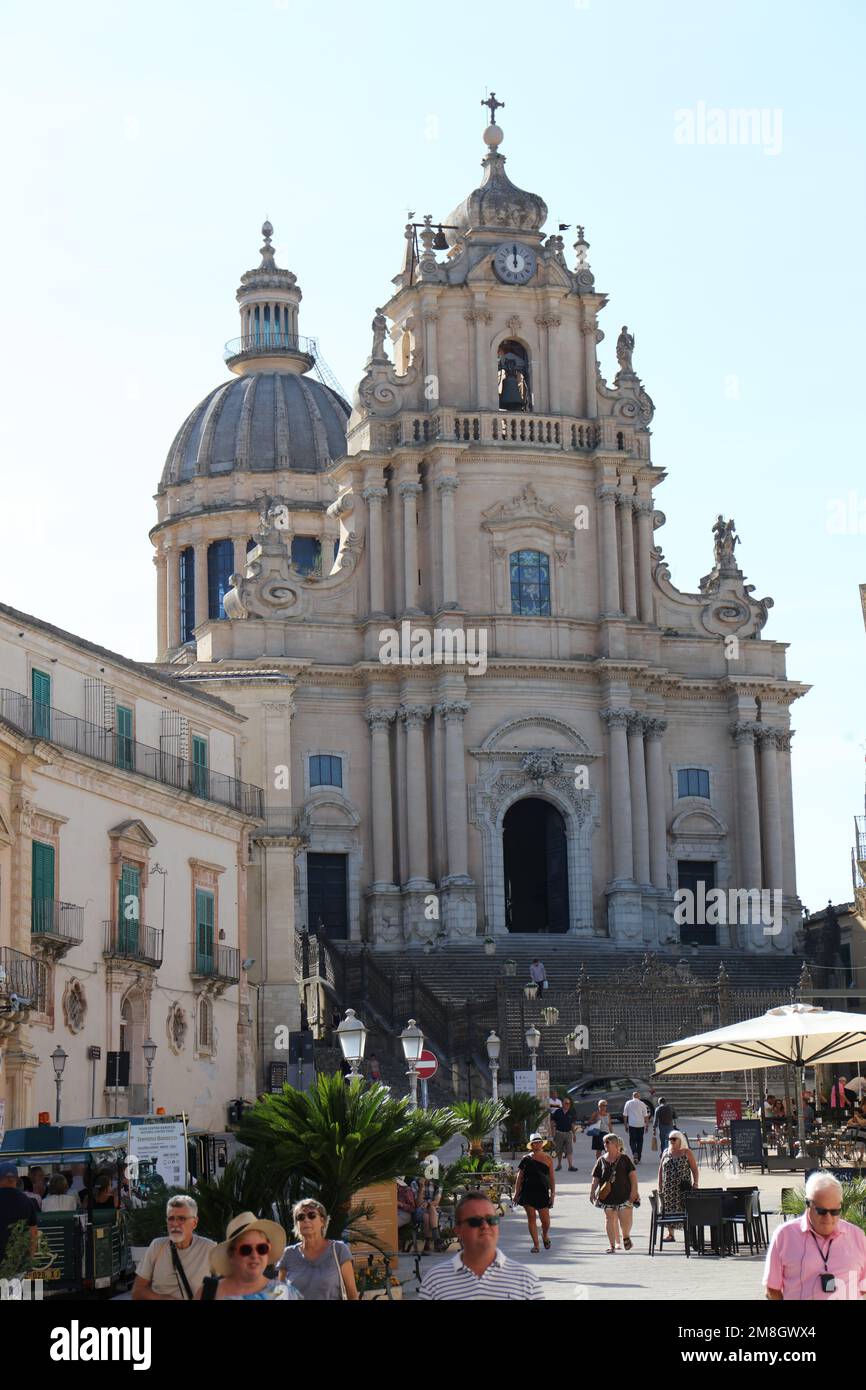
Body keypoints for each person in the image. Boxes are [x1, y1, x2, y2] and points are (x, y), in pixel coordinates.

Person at [418, 1190, 544, 1300]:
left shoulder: (526, 1281)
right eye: (475, 1221)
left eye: (491, 1220)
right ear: (458, 1230)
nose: (485, 1226)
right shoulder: (435, 1281)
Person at [764, 1173, 866, 1300]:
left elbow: (863, 1287)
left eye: (835, 1212)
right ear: (808, 1205)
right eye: (821, 1211)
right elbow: (772, 1288)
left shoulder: (857, 1236)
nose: (828, 1218)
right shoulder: (784, 1236)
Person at [133, 1194, 215, 1301]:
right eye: (171, 1219)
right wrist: (161, 1298)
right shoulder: (157, 1247)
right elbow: (137, 1292)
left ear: (194, 1223)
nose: (175, 1224)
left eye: (181, 1218)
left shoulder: (208, 1248)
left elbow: (227, 1286)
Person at [202, 1211, 300, 1301]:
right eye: (246, 1250)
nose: (254, 1255)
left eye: (261, 1248)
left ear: (268, 1249)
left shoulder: (287, 1295)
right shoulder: (208, 1292)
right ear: (231, 1254)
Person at [276, 1199, 358, 1300]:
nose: (306, 1220)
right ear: (297, 1224)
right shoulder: (288, 1254)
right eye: (300, 1217)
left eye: (311, 1215)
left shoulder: (339, 1250)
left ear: (322, 1221)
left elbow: (352, 1294)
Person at [590, 1133, 639, 1252]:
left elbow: (633, 1176)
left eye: (607, 1142)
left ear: (615, 1144)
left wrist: (634, 1191)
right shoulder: (601, 1160)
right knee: (609, 1219)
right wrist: (592, 1192)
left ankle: (626, 1236)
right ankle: (612, 1246)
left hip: (624, 1195)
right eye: (604, 1142)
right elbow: (595, 1178)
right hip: (607, 1196)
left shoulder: (624, 1159)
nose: (605, 1144)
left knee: (625, 1219)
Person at [513, 1133, 555, 1253]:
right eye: (534, 1143)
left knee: (546, 1222)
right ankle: (536, 1245)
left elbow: (552, 1178)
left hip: (542, 1192)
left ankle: (545, 1235)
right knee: (531, 1218)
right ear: (531, 1145)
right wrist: (516, 1193)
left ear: (542, 1144)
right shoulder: (526, 1159)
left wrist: (552, 1195)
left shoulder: (548, 1159)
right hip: (527, 1192)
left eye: (539, 1142)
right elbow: (519, 1177)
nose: (537, 1144)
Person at [658, 1130, 698, 1242]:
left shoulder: (686, 1152)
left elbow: (694, 1169)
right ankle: (670, 1234)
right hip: (668, 1188)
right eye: (670, 1139)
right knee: (669, 1209)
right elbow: (660, 1171)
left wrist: (696, 1183)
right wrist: (659, 1186)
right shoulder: (666, 1152)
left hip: (683, 1187)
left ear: (680, 1140)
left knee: (684, 1209)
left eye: (674, 1139)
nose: (671, 1141)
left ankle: (689, 1235)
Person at [0, 1160, 37, 1265]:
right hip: (19, 1261)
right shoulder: (27, 1201)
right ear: (16, 1179)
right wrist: (30, 1258)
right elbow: (33, 1232)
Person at [412, 1173, 442, 1252]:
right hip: (419, 1210)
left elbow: (437, 1201)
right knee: (426, 1214)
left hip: (433, 1209)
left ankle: (427, 1243)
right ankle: (436, 1238)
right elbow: (418, 1203)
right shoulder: (415, 1183)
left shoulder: (437, 1183)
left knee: (427, 1215)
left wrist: (428, 1204)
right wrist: (421, 1187)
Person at [550, 1096, 578, 1172]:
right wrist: (553, 1132)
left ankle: (570, 1166)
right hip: (559, 1133)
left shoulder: (571, 1112)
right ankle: (559, 1165)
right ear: (562, 1104)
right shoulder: (557, 1112)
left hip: (568, 1133)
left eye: (569, 1103)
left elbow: (572, 1124)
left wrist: (574, 1135)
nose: (567, 1105)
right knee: (559, 1150)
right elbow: (552, 1122)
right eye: (566, 1103)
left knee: (569, 1150)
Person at [623, 1090, 650, 1163]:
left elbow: (625, 1115)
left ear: (632, 1096)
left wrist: (625, 1125)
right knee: (640, 1141)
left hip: (632, 1125)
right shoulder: (642, 1104)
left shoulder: (628, 1103)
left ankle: (634, 1152)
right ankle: (639, 1158)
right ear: (639, 1097)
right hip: (641, 1125)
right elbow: (646, 1116)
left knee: (632, 1141)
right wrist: (647, 1125)